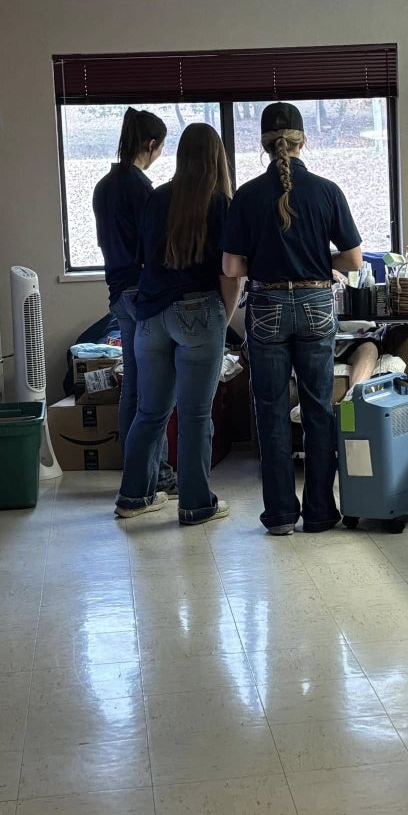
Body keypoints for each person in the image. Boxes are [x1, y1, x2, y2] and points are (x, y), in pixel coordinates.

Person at [222, 102, 362, 535]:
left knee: (271, 410)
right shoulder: (327, 190)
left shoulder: (247, 195)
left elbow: (231, 267)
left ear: (264, 145)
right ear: (304, 141)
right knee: (318, 408)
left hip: (266, 306)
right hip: (317, 302)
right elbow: (353, 260)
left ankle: (281, 515)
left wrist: (267, 262)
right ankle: (320, 512)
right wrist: (319, 259)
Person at [114, 123, 241, 523]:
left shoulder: (156, 198)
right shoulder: (221, 204)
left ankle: (133, 497)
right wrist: (222, 320)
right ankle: (196, 504)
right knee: (195, 415)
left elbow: (144, 260)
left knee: (150, 412)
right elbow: (230, 274)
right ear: (217, 158)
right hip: (199, 311)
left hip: (150, 315)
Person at [92, 107, 176, 496]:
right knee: (154, 391)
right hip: (142, 293)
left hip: (117, 291)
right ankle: (157, 475)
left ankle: (135, 469)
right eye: (161, 147)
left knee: (133, 386)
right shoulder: (142, 189)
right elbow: (156, 246)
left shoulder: (104, 186)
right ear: (152, 144)